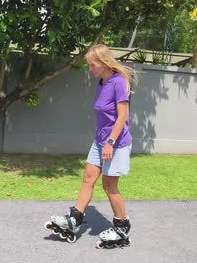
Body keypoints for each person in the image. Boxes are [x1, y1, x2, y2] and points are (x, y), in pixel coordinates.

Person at [44, 44, 135, 248]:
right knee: (88, 179)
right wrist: (103, 142)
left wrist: (110, 143)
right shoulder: (102, 82)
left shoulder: (118, 82)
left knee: (109, 186)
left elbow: (122, 118)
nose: (90, 69)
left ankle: (122, 228)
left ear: (104, 63)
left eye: (92, 65)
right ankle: (74, 220)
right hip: (100, 141)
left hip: (116, 143)